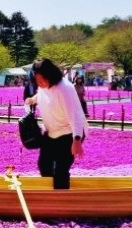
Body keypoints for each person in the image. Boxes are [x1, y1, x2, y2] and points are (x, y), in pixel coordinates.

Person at [24, 58, 88, 190]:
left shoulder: (64, 89)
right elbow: (42, 94)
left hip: (69, 134)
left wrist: (76, 140)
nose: (40, 84)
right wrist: (33, 99)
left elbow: (75, 115)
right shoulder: (44, 85)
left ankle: (62, 197)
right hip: (51, 133)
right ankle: (51, 192)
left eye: (42, 80)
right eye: (37, 81)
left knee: (60, 171)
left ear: (50, 75)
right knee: (44, 164)